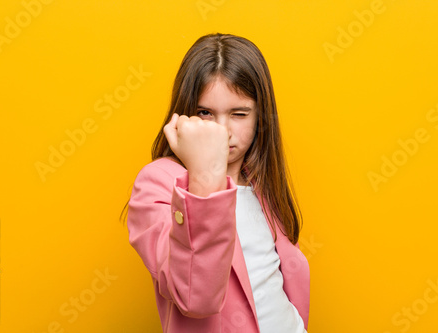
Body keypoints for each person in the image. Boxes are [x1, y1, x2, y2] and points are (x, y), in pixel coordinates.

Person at [124, 32, 310, 333]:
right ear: (183, 115)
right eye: (205, 113)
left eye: (239, 114)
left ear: (260, 117)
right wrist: (206, 171)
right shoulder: (157, 183)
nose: (222, 131)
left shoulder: (261, 184)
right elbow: (195, 296)